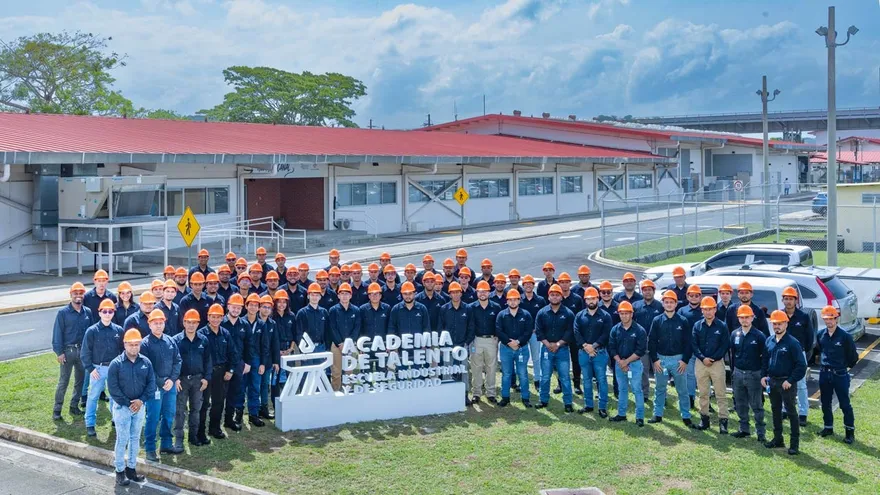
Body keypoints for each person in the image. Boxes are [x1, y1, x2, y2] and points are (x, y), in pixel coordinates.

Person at [107, 329, 154, 486]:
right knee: (122, 439)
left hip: (139, 407)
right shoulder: (116, 364)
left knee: (135, 438)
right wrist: (129, 403)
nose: (134, 347)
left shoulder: (146, 362)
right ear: (125, 344)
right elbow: (113, 388)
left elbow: (151, 384)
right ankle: (119, 471)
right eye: (131, 344)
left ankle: (131, 469)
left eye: (137, 344)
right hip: (122, 408)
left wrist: (140, 401)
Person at [762, 310, 807, 455]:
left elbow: (801, 365)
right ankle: (778, 439)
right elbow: (765, 360)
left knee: (791, 412)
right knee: (775, 411)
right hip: (772, 382)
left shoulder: (793, 343)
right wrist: (763, 376)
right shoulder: (769, 340)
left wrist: (790, 380)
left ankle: (794, 444)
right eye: (774, 324)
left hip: (786, 383)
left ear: (786, 323)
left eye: (779, 323)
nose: (777, 326)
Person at [647, 290, 695, 427]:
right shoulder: (657, 321)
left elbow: (688, 342)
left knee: (682, 389)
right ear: (663, 304)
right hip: (661, 360)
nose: (669, 304)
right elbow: (652, 341)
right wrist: (655, 360)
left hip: (678, 360)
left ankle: (686, 415)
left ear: (676, 304)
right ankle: (658, 414)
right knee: (660, 388)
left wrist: (685, 360)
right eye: (666, 302)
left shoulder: (683, 321)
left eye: (671, 302)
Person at [140, 309, 182, 461]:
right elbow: (146, 367)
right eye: (155, 323)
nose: (158, 326)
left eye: (161, 323)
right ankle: (150, 448)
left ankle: (166, 444)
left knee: (169, 415)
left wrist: (172, 379)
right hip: (154, 387)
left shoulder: (170, 341)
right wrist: (160, 382)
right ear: (149, 324)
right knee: (153, 417)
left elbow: (178, 360)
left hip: (170, 386)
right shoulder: (145, 344)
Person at [816, 305, 859, 444]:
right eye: (826, 319)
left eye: (831, 319)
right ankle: (828, 427)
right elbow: (819, 351)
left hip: (839, 374)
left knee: (844, 404)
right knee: (825, 402)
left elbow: (853, 356)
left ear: (836, 318)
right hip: (824, 373)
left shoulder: (845, 336)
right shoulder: (821, 334)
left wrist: (843, 368)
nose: (829, 322)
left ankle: (849, 432)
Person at [81, 299, 124, 436]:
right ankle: (90, 423)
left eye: (110, 311)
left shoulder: (118, 330)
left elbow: (123, 351)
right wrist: (90, 369)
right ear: (99, 312)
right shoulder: (92, 331)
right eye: (104, 311)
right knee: (93, 396)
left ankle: (115, 419)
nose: (107, 314)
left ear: (113, 313)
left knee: (114, 396)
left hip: (113, 368)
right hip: (97, 369)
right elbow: (85, 352)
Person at [52, 282, 92, 420]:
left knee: (80, 381)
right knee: (64, 381)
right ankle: (57, 410)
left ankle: (74, 406)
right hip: (67, 352)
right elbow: (58, 333)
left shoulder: (88, 312)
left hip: (82, 352)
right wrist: (59, 352)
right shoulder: (63, 313)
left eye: (81, 293)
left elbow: (90, 333)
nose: (78, 296)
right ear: (71, 295)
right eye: (76, 293)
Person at [173, 310, 212, 448]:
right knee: (180, 410)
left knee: (196, 409)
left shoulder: (203, 340)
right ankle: (178, 439)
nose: (190, 325)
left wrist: (206, 378)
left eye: (193, 322)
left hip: (198, 380)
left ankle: (193, 437)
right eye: (188, 322)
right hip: (181, 381)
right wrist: (175, 378)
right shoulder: (176, 340)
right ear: (183, 322)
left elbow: (208, 361)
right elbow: (173, 361)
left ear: (198, 323)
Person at [692, 296, 730, 433]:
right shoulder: (697, 326)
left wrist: (713, 358)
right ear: (702, 310)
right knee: (703, 393)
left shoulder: (722, 326)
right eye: (705, 309)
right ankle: (704, 419)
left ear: (715, 309)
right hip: (701, 363)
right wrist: (703, 358)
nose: (708, 312)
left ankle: (723, 421)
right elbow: (694, 345)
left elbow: (725, 345)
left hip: (717, 363)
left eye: (711, 309)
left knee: (721, 393)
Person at [199, 303, 237, 440]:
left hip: (221, 373)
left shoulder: (225, 333)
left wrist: (230, 370)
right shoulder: (201, 334)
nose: (215, 320)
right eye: (213, 317)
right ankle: (200, 431)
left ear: (222, 318)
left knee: (218, 402)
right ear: (208, 317)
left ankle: (214, 428)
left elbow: (233, 354)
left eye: (218, 317)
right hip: (206, 374)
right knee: (203, 404)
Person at [534, 284, 574, 412]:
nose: (555, 297)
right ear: (548, 296)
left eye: (557, 295)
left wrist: (558, 344)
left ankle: (568, 402)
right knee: (545, 376)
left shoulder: (568, 313)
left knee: (565, 377)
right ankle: (543, 400)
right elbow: (539, 331)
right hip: (546, 349)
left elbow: (570, 332)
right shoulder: (542, 312)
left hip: (562, 349)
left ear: (561, 297)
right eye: (552, 295)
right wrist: (547, 344)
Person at [729, 305, 767, 441]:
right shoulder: (735, 334)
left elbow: (765, 357)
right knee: (740, 403)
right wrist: (734, 371)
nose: (744, 320)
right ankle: (744, 429)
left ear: (752, 318)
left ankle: (761, 432)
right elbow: (732, 354)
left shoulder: (759, 336)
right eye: (742, 317)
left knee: (757, 404)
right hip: (738, 373)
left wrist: (762, 375)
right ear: (738, 318)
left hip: (754, 374)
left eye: (747, 317)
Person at [573, 287, 611, 417]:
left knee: (601, 379)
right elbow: (576, 332)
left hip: (599, 353)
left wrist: (593, 346)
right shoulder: (579, 315)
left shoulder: (605, 316)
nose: (591, 301)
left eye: (593, 298)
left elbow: (606, 334)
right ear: (585, 300)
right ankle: (588, 405)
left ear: (598, 299)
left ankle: (602, 407)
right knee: (587, 380)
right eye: (588, 298)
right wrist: (585, 346)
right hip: (583, 353)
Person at [608, 301, 648, 426]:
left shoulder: (639, 330)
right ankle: (621, 414)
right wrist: (620, 361)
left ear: (632, 314)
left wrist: (626, 362)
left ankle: (640, 417)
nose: (624, 316)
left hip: (634, 364)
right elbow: (611, 347)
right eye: (621, 313)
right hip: (619, 364)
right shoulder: (615, 329)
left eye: (626, 313)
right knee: (622, 389)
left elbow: (640, 350)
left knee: (637, 390)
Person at [781, 286, 815, 427]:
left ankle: (803, 413)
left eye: (791, 299)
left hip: (799, 354)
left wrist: (803, 353)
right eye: (786, 299)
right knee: (783, 383)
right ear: (782, 300)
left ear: (796, 300)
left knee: (801, 385)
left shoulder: (803, 317)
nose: (788, 302)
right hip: (783, 353)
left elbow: (809, 338)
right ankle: (785, 409)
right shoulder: (779, 315)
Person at [496, 289, 532, 407]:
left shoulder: (526, 314)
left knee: (522, 373)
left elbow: (528, 332)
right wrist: (508, 342)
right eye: (510, 300)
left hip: (522, 348)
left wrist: (518, 342)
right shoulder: (501, 315)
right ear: (507, 301)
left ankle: (525, 398)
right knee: (506, 373)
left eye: (515, 299)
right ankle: (505, 397)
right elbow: (499, 330)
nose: (512, 302)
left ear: (519, 300)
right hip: (506, 349)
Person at [438, 282, 474, 404]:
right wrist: (443, 345)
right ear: (450, 294)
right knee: (447, 370)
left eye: (458, 292)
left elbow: (471, 327)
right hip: (448, 346)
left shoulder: (468, 309)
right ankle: (447, 394)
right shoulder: (444, 309)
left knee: (463, 370)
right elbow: (440, 328)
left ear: (461, 293)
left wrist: (466, 343)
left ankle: (464, 394)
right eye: (453, 292)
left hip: (462, 345)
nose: (456, 294)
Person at [469, 280, 502, 404]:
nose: (482, 293)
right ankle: (476, 393)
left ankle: (491, 393)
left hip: (491, 340)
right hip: (476, 340)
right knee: (476, 367)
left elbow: (499, 325)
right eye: (480, 291)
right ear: (477, 292)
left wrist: (497, 337)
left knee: (491, 367)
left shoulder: (496, 307)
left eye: (485, 291)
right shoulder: (471, 307)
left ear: (489, 292)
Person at [221, 293, 249, 432]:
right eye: (234, 307)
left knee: (234, 393)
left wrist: (247, 363)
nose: (236, 310)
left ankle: (228, 420)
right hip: (222, 364)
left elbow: (249, 345)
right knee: (220, 395)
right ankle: (215, 423)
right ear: (228, 307)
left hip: (238, 364)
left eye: (239, 308)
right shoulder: (220, 323)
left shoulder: (244, 325)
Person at [633, 279, 662, 401]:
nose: (647, 292)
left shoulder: (660, 306)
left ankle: (661, 396)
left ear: (654, 291)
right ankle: (645, 394)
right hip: (642, 344)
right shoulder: (636, 306)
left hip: (657, 343)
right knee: (643, 370)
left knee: (659, 370)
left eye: (650, 290)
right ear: (642, 291)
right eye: (645, 290)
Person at [329, 283, 361, 391]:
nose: (344, 296)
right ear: (338, 296)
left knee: (350, 371)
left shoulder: (356, 310)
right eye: (342, 294)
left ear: (351, 296)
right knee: (336, 372)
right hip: (336, 346)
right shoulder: (333, 310)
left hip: (351, 346)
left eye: (347, 294)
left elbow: (357, 328)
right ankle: (336, 393)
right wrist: (340, 344)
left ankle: (349, 392)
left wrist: (348, 344)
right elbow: (332, 328)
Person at [242, 294, 268, 427]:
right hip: (243, 360)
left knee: (255, 387)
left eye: (255, 305)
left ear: (258, 308)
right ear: (246, 306)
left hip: (257, 359)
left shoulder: (262, 325)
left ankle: (253, 414)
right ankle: (238, 414)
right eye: (250, 304)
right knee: (240, 387)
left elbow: (265, 345)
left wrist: (263, 363)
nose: (253, 307)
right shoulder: (241, 322)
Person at [678, 285, 704, 410]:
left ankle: (706, 401)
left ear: (700, 296)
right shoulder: (682, 311)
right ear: (687, 296)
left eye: (696, 295)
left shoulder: (705, 310)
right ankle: (691, 398)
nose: (694, 298)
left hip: (703, 348)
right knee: (689, 375)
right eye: (691, 295)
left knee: (704, 376)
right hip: (687, 348)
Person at [520, 275, 547, 393]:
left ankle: (537, 380)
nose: (528, 285)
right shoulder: (518, 299)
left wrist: (539, 329)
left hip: (535, 334)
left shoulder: (540, 300)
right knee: (522, 359)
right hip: (522, 334)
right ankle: (522, 381)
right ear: (523, 285)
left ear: (533, 285)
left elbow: (544, 316)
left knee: (536, 358)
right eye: (526, 284)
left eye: (530, 283)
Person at [257, 295, 279, 420]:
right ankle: (253, 407)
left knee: (265, 384)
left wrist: (276, 361)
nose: (266, 310)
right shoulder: (254, 322)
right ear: (259, 308)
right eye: (264, 307)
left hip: (268, 360)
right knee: (254, 385)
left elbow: (275, 343)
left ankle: (264, 408)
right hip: (255, 358)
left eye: (268, 308)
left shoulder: (272, 324)